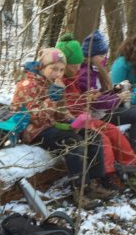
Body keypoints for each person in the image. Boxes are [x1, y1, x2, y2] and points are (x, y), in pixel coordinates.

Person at [10, 47, 113, 207]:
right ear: (42, 67)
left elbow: (59, 113)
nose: (57, 74)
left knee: (93, 137)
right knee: (74, 143)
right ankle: (79, 190)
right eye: (53, 69)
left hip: (51, 126)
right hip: (33, 131)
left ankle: (93, 183)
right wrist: (52, 98)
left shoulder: (53, 83)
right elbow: (33, 117)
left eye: (61, 70)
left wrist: (72, 120)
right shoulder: (27, 85)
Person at [57, 35, 136, 184]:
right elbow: (76, 104)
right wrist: (117, 98)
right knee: (103, 138)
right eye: (73, 65)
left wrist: (116, 89)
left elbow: (97, 95)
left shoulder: (90, 71)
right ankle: (106, 176)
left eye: (78, 64)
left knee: (113, 131)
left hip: (88, 116)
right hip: (83, 118)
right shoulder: (81, 75)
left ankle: (132, 164)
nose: (77, 68)